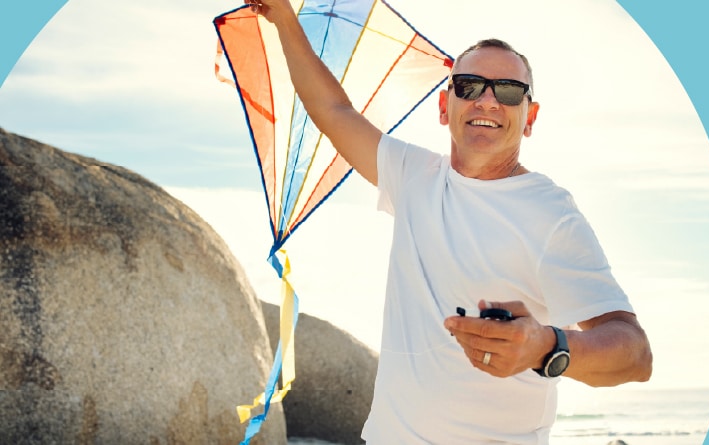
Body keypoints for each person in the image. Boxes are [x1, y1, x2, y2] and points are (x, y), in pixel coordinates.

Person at [245, 1, 653, 443]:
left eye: (509, 90)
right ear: (445, 106)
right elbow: (332, 110)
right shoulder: (414, 176)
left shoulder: (552, 215)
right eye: (469, 85)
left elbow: (635, 355)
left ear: (529, 117)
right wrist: (284, 17)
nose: (488, 100)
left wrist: (548, 347)